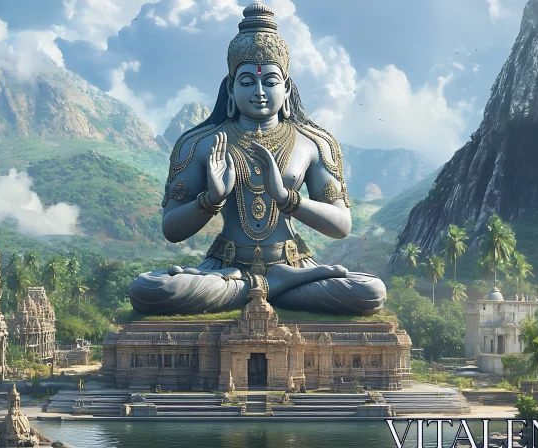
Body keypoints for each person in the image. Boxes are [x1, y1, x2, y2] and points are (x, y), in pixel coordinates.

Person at [129, 1, 386, 316]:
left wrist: (287, 198)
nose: (260, 91)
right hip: (226, 268)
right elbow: (172, 229)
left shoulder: (314, 143)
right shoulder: (200, 143)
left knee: (370, 291)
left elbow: (341, 225)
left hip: (293, 264)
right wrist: (211, 200)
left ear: (287, 87)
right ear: (231, 87)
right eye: (248, 81)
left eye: (271, 81)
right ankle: (269, 286)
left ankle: (273, 282)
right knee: (151, 289)